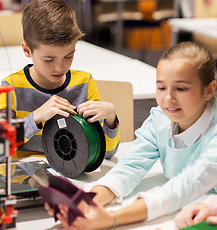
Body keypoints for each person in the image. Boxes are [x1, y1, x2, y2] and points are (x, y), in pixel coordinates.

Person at [48, 41, 217, 229]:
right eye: (161, 88)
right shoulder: (160, 118)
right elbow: (131, 166)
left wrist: (111, 219)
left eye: (181, 88)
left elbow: (185, 186)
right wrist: (89, 202)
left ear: (209, 90)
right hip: (191, 206)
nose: (169, 98)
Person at [0, 0, 120, 159]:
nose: (60, 67)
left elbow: (106, 154)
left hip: (72, 176)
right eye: (49, 59)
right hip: (25, 179)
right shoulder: (10, 87)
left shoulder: (84, 84)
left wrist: (111, 120)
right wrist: (36, 118)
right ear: (27, 50)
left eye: (68, 56)